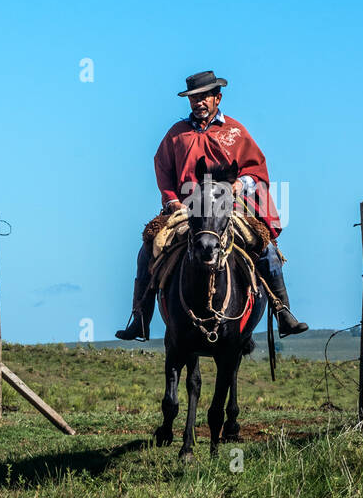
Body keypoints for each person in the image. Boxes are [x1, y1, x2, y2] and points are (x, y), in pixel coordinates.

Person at [115, 70, 308, 340]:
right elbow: (163, 170)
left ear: (217, 97)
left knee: (267, 250)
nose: (199, 102)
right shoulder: (176, 135)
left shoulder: (235, 132)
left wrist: (241, 184)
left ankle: (283, 311)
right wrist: (171, 200)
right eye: (194, 98)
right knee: (148, 247)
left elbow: (257, 169)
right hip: (187, 210)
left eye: (204, 96)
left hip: (229, 209)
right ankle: (141, 319)